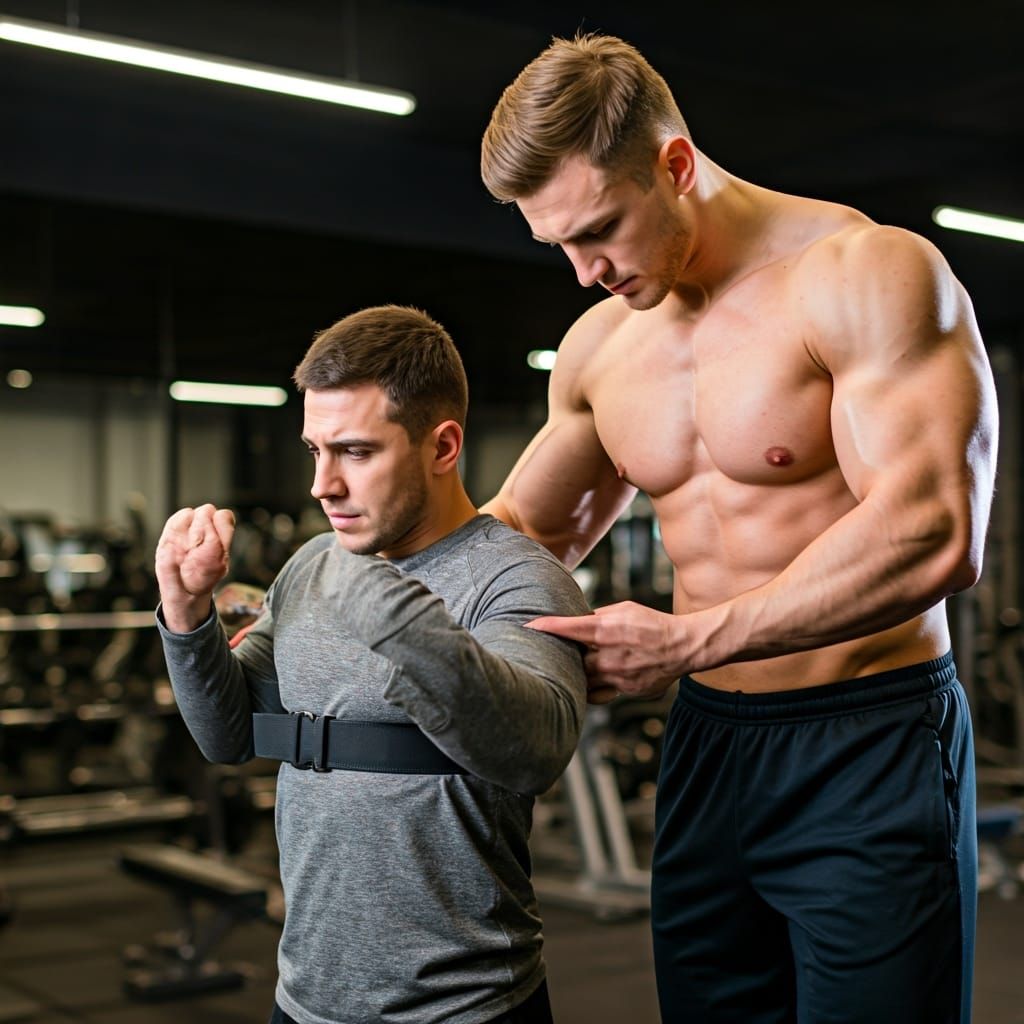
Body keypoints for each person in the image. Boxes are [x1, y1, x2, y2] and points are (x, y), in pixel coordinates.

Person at [479, 33, 998, 1024]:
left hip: (866, 736)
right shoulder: (600, 347)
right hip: (708, 747)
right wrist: (325, 604)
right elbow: (521, 533)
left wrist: (687, 640)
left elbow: (934, 529)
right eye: (559, 247)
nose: (584, 272)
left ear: (675, 165)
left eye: (599, 230)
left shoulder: (864, 274)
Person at [154, 305, 590, 1024]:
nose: (323, 484)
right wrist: (186, 610)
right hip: (305, 999)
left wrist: (380, 599)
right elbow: (227, 734)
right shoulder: (311, 567)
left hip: (465, 1007)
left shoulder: (515, 580)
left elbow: (531, 749)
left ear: (441, 446)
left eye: (355, 452)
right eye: (315, 451)